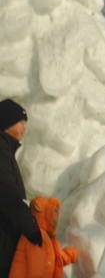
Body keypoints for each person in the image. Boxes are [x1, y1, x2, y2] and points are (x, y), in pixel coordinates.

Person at [0, 99, 42, 278]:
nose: (24, 127)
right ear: (8, 122)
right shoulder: (1, 150)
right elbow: (5, 191)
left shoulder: (5, 150)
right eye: (21, 122)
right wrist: (30, 227)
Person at [9, 195, 78, 278]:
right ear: (43, 213)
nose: (56, 218)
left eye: (57, 212)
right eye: (54, 212)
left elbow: (56, 258)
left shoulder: (48, 238)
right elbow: (36, 267)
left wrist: (70, 254)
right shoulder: (36, 235)